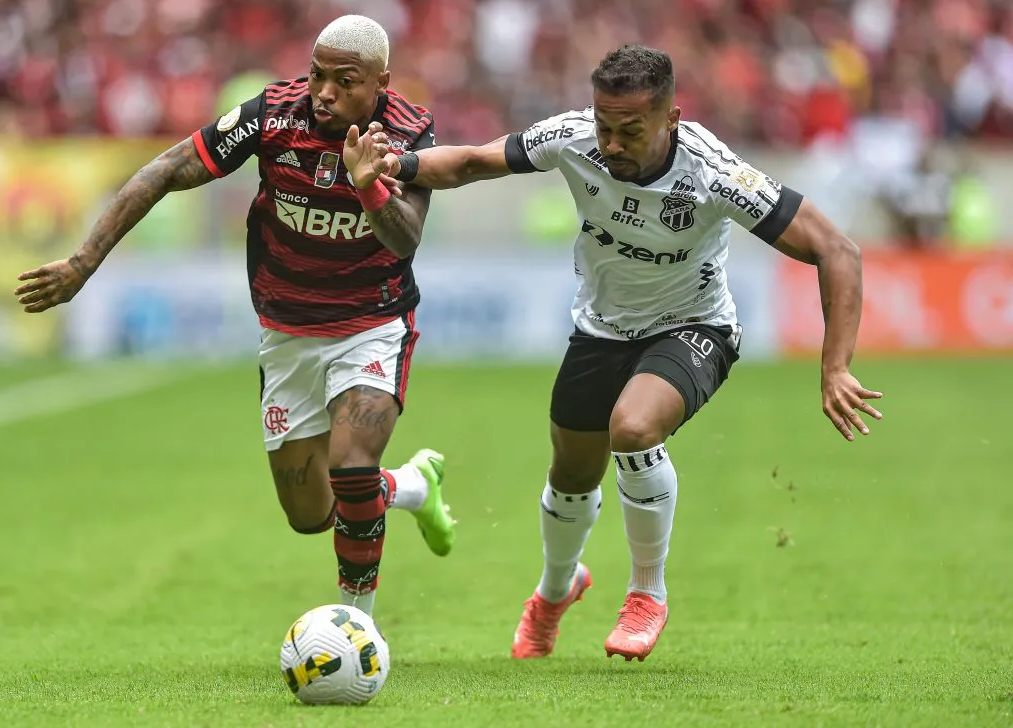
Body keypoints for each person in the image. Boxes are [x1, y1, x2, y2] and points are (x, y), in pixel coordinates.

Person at [354, 44, 883, 660]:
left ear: (671, 120)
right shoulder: (574, 137)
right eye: (606, 126)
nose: (612, 143)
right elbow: (473, 160)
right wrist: (397, 164)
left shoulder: (714, 173)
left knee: (632, 428)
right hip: (601, 330)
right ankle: (555, 591)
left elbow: (836, 250)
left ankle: (647, 594)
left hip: (694, 326)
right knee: (571, 474)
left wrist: (835, 365)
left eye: (631, 130)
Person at [13, 15, 456, 617]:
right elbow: (168, 168)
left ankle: (358, 628)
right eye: (316, 75)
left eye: (343, 81)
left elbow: (405, 238)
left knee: (352, 468)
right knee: (310, 515)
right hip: (287, 328)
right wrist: (84, 262)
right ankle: (409, 487)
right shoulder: (274, 115)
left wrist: (369, 185)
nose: (323, 92)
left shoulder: (408, 133)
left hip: (370, 323)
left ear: (380, 82)